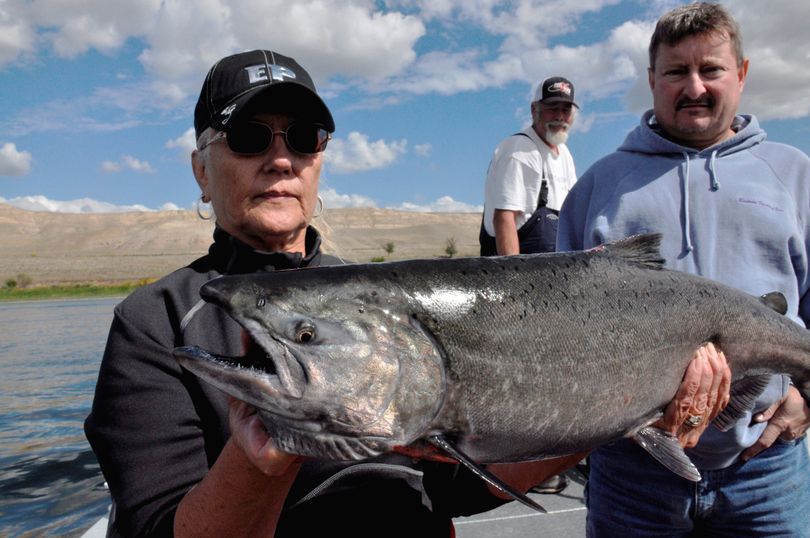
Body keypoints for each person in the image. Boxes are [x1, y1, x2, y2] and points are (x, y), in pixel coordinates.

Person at [83, 49, 594, 538]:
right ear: (201, 170)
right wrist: (260, 454)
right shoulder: (155, 321)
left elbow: (458, 486)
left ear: (319, 159)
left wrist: (612, 417)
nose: (281, 160)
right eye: (248, 137)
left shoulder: (384, 299)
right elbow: (157, 526)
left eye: (303, 138)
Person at [557, 3, 810, 536]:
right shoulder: (597, 189)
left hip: (766, 466)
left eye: (711, 69)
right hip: (632, 474)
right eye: (676, 72)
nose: (694, 86)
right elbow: (560, 330)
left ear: (740, 74)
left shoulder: (794, 175)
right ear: (652, 80)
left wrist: (806, 399)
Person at [480, 76, 578, 256]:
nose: (559, 116)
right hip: (522, 273)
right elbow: (504, 218)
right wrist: (513, 278)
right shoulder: (518, 150)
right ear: (534, 109)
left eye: (566, 110)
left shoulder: (565, 154)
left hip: (554, 269)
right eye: (552, 108)